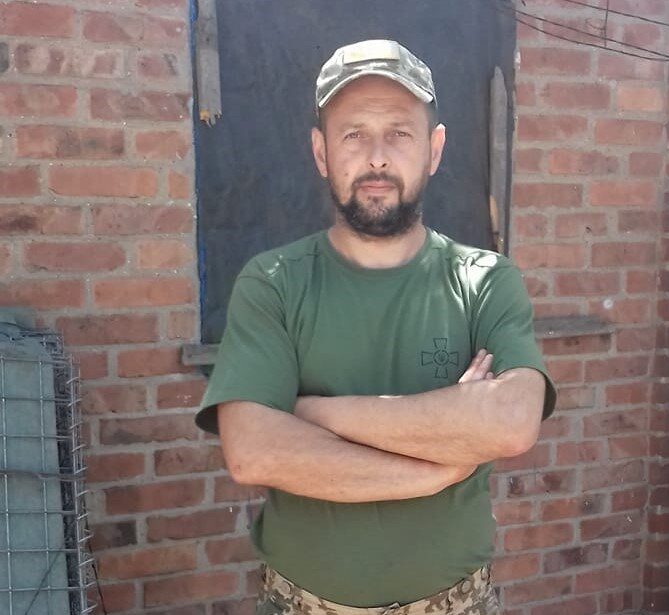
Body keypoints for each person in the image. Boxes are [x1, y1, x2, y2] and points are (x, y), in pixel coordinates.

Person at [195, 39, 557, 615]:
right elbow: (253, 452)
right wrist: (436, 469)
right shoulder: (274, 283)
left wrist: (313, 413)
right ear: (321, 152)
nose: (377, 158)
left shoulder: (484, 281)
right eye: (353, 134)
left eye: (400, 133)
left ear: (434, 150)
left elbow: (512, 422)